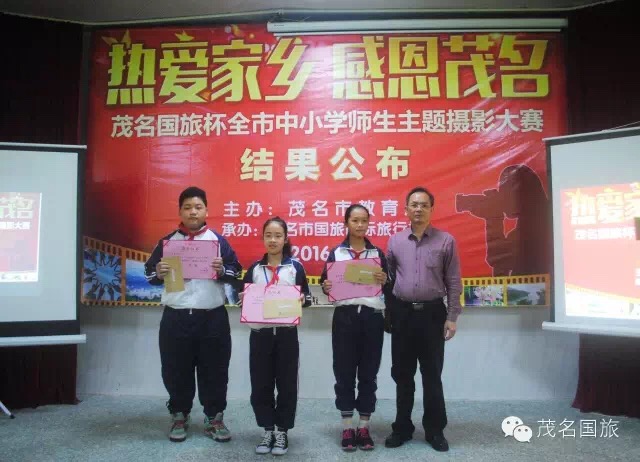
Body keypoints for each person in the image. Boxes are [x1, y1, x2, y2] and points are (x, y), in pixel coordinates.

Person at [144, 186, 242, 443]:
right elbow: (149, 273)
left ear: (206, 210)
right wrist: (159, 272)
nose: (193, 212)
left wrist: (222, 270)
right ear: (180, 211)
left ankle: (214, 418)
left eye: (198, 207)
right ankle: (179, 414)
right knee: (175, 369)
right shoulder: (167, 243)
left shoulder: (218, 242)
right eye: (187, 207)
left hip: (212, 317)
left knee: (215, 370)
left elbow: (237, 271)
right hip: (176, 317)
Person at [384, 186, 462, 452]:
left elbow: (453, 281)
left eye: (424, 205)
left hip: (432, 315)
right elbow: (389, 279)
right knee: (402, 375)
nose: (418, 209)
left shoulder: (445, 241)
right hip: (403, 315)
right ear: (405, 209)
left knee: (432, 375)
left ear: (431, 209)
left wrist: (452, 316)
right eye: (414, 205)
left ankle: (435, 430)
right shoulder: (395, 242)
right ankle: (402, 428)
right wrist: (389, 313)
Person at [241, 217, 312, 456]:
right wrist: (244, 300)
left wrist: (302, 300)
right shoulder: (254, 269)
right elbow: (243, 298)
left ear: (285, 239)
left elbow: (308, 298)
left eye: (278, 235)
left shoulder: (295, 268)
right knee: (260, 384)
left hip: (286, 336)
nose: (273, 240)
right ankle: (267, 429)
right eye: (268, 235)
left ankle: (282, 431)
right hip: (260, 336)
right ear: (263, 238)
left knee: (287, 384)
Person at [320, 204, 388, 451]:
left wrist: (385, 279)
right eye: (355, 220)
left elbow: (388, 285)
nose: (360, 225)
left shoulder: (377, 254)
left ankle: (364, 426)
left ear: (368, 223)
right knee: (344, 372)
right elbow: (325, 283)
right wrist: (326, 286)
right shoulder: (336, 253)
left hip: (372, 318)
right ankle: (348, 426)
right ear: (346, 223)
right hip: (345, 318)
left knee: (369, 373)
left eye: (364, 221)